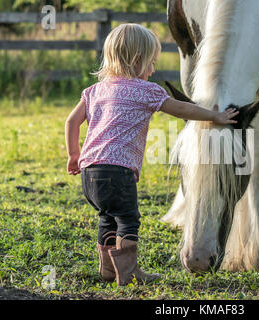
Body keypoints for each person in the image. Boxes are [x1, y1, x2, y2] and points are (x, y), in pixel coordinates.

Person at [64, 23, 239, 286]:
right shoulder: (146, 90)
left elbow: (71, 121)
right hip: (118, 170)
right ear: (137, 61)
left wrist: (73, 155)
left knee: (107, 217)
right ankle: (128, 273)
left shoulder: (94, 90)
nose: (153, 69)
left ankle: (108, 270)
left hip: (90, 172)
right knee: (128, 220)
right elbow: (182, 110)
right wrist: (215, 115)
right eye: (151, 63)